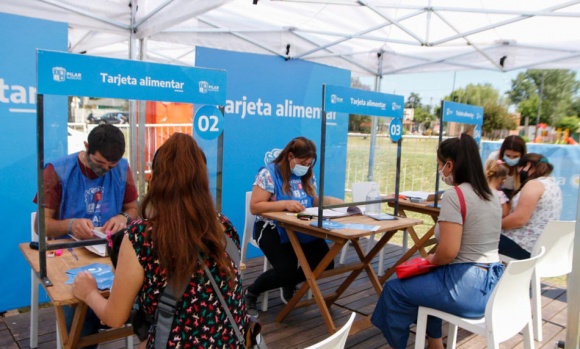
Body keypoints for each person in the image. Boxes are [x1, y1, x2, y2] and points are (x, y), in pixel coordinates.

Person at [72, 133, 249, 348]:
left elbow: (114, 317)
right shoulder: (224, 226)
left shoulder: (141, 238)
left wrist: (88, 292)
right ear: (202, 181)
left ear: (154, 179)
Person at [372, 133, 504, 349]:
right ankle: (435, 342)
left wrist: (429, 259)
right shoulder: (491, 194)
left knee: (394, 290)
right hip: (491, 285)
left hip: (465, 286)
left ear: (450, 165)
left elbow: (448, 252)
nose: (440, 170)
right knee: (427, 281)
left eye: (440, 165)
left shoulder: (455, 196)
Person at [34, 124, 138, 348]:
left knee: (135, 304)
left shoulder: (121, 168)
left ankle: (105, 321)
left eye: (111, 165)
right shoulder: (57, 170)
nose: (105, 170)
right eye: (99, 163)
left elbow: (133, 209)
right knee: (78, 323)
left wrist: (124, 218)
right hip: (70, 256)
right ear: (86, 147)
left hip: (108, 253)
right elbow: (40, 225)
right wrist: (70, 224)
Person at [244, 136, 342, 318]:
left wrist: (328, 203)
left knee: (325, 262)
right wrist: (285, 204)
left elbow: (312, 201)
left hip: (302, 227)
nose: (306, 166)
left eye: (309, 163)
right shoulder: (269, 173)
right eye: (303, 162)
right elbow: (255, 206)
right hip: (272, 229)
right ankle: (251, 293)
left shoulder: (307, 174)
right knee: (286, 270)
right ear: (290, 156)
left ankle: (288, 282)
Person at [499, 153, 562, 260]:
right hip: (538, 247)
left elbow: (519, 219)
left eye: (519, 167)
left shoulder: (533, 185)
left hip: (522, 245)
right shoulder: (552, 184)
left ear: (527, 166)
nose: (518, 172)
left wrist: (494, 225)